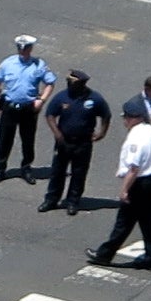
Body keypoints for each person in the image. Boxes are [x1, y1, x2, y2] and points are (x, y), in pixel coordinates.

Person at [87, 107, 151, 271]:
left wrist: (124, 189)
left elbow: (134, 168)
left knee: (124, 222)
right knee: (147, 222)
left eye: (126, 117)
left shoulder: (136, 139)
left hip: (138, 184)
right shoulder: (149, 129)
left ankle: (104, 255)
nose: (124, 120)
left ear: (134, 118)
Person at [44, 69, 111, 214]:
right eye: (68, 82)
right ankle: (51, 200)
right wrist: (57, 133)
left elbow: (106, 115)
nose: (68, 85)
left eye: (71, 83)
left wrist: (101, 133)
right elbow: (50, 114)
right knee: (58, 171)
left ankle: (73, 201)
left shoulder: (93, 98)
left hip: (83, 143)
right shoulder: (62, 97)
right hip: (64, 142)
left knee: (79, 173)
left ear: (81, 84)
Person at [0, 37, 53, 184]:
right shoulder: (8, 63)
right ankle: (1, 167)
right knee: (5, 138)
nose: (23, 51)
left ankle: (26, 167)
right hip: (10, 106)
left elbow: (50, 83)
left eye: (25, 48)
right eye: (20, 48)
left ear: (31, 48)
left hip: (29, 108)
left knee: (28, 138)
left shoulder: (38, 65)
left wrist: (41, 100)